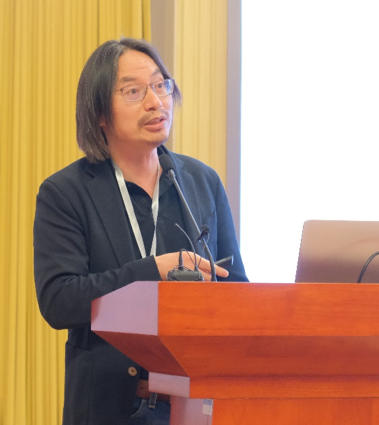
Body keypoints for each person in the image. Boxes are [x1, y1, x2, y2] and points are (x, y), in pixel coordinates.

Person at [33, 38, 249, 425]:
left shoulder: (200, 181)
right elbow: (59, 300)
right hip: (111, 408)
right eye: (134, 91)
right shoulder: (66, 192)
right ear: (100, 112)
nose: (155, 101)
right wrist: (153, 271)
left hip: (192, 407)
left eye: (160, 85)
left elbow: (236, 291)